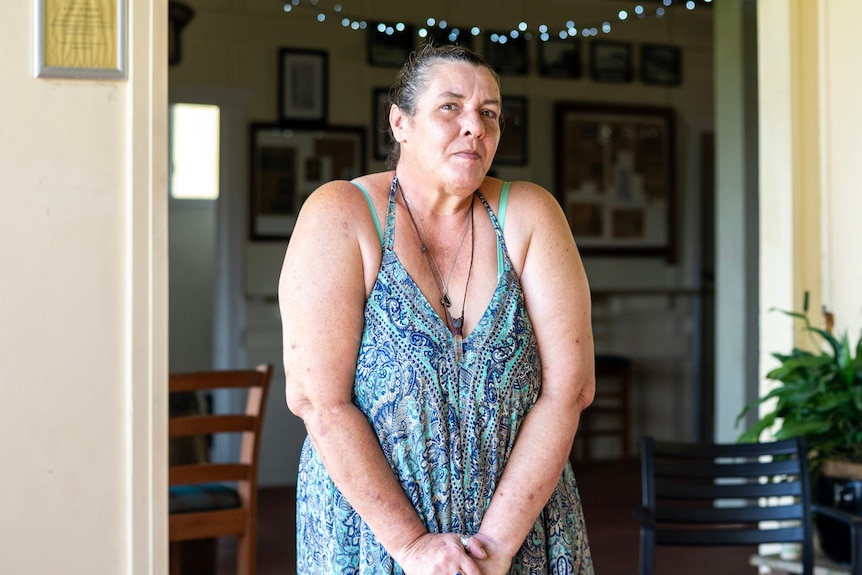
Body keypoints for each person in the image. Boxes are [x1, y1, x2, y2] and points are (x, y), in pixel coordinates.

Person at [279, 42, 596, 575]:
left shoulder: (529, 214)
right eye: (450, 107)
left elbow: (570, 390)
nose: (475, 125)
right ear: (400, 122)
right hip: (374, 536)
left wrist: (496, 546)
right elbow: (319, 401)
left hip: (521, 533)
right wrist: (412, 547)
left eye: (489, 113)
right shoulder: (340, 214)